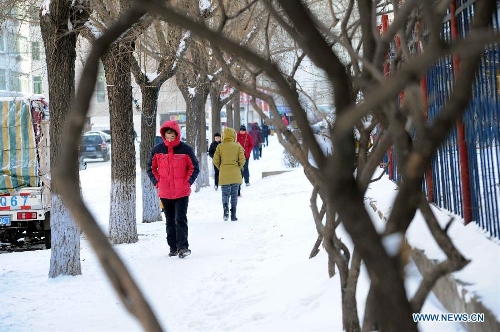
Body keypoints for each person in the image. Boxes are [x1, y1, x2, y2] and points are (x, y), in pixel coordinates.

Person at [147, 120, 200, 258]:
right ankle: (173, 247)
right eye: (167, 136)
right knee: (170, 221)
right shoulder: (157, 150)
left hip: (181, 192)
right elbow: (151, 168)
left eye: (172, 136)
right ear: (163, 135)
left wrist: (187, 182)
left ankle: (183, 247)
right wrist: (157, 182)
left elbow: (194, 167)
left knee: (180, 219)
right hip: (165, 192)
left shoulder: (185, 149)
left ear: (177, 135)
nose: (170, 139)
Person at [213, 128, 246, 221]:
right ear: (233, 136)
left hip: (224, 174)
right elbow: (242, 160)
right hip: (235, 173)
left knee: (225, 194)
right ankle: (233, 214)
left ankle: (225, 209)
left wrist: (221, 167)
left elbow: (215, 160)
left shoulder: (220, 146)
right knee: (234, 194)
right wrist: (238, 167)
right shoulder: (238, 146)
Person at [236, 125, 254, 195]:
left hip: (246, 155)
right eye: (241, 130)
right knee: (239, 168)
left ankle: (247, 181)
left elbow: (251, 144)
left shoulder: (248, 136)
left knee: (246, 168)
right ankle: (240, 181)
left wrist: (248, 151)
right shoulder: (236, 136)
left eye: (243, 130)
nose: (242, 132)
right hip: (238, 155)